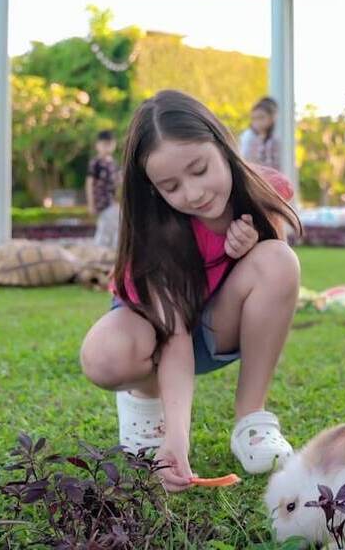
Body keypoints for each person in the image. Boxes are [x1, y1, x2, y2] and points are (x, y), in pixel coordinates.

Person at [79, 90, 302, 493]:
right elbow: (174, 337)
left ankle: (252, 421)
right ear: (152, 188)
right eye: (171, 186)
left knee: (278, 259)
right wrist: (176, 440)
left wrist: (249, 249)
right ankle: (147, 408)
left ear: (221, 143)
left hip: (220, 325)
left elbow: (274, 272)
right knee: (104, 355)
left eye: (200, 169)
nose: (194, 193)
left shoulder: (264, 190)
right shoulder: (153, 235)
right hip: (159, 335)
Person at [85, 130, 120, 248]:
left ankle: (112, 253)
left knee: (115, 227)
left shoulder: (113, 163)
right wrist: (91, 204)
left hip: (112, 203)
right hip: (102, 202)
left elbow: (116, 183)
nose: (107, 147)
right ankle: (100, 252)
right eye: (104, 144)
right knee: (105, 228)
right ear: (97, 146)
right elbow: (89, 183)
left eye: (110, 144)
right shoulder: (96, 163)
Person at [240, 96, 280, 171]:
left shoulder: (275, 138)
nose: (257, 122)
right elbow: (246, 159)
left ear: (271, 118)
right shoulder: (249, 137)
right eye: (254, 118)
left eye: (261, 117)